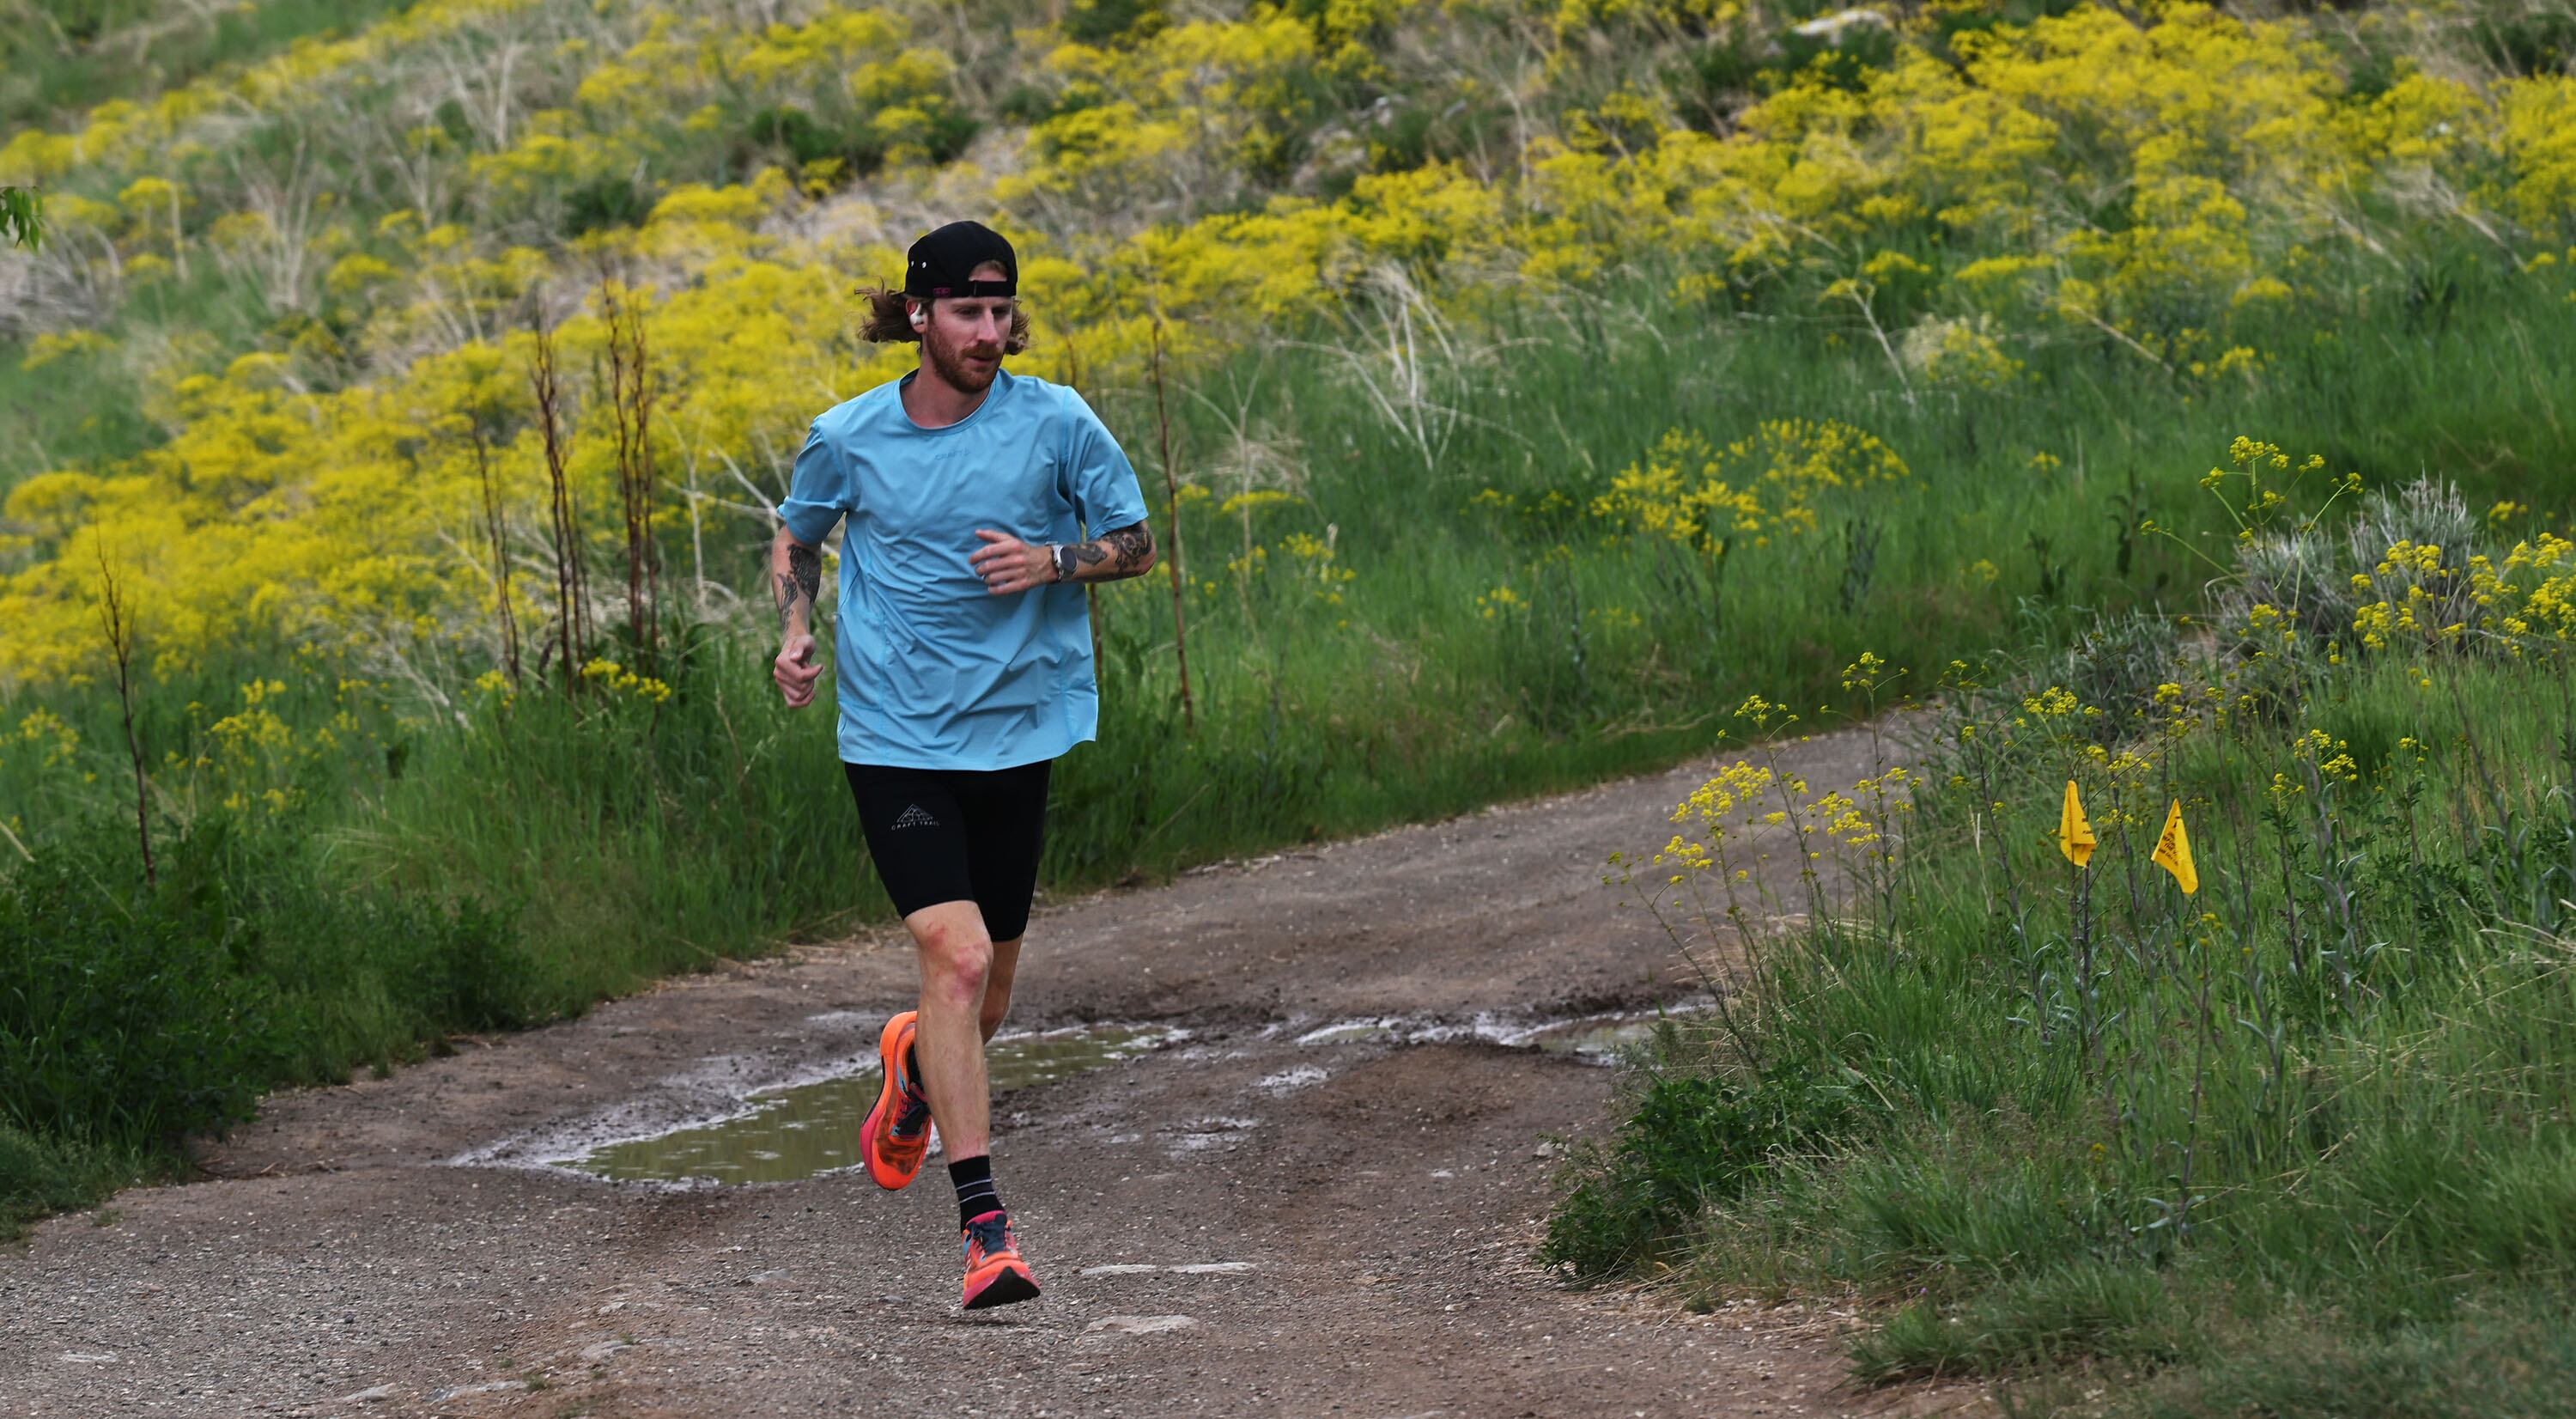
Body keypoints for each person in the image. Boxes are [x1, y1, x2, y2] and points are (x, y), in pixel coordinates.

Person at [766, 220, 1157, 1309]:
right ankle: (988, 1232)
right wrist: (796, 631)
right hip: (893, 733)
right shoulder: (849, 435)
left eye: (1002, 313)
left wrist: (1051, 559)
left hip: (1015, 730)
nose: (990, 333)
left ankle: (912, 1069)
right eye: (968, 313)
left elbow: (1136, 539)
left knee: (980, 1009)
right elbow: (798, 537)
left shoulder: (1056, 420)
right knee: (959, 959)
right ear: (919, 313)